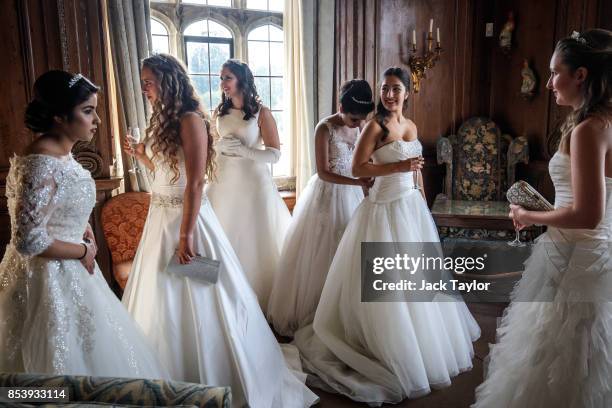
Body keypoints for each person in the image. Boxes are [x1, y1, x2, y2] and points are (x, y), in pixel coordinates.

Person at [121, 54, 318, 408]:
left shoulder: (191, 119)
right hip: (160, 218)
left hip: (188, 219)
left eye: (149, 80)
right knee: (160, 296)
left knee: (203, 289)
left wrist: (186, 234)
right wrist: (141, 155)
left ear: (168, 80)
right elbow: (167, 171)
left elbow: (195, 181)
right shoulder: (167, 118)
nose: (144, 87)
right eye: (143, 82)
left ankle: (217, 368)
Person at [294, 67, 480, 405]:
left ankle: (422, 344)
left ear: (408, 92)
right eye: (385, 89)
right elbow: (358, 168)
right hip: (381, 212)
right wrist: (397, 168)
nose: (390, 95)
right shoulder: (375, 127)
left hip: (410, 208)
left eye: (396, 89)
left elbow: (418, 171)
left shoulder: (411, 126)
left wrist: (424, 206)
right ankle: (386, 345)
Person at [473, 29, 612, 408]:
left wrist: (528, 213)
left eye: (555, 73)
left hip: (574, 258)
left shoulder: (589, 131)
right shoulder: (604, 124)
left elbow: (587, 214)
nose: (549, 83)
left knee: (556, 357)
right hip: (597, 255)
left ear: (581, 75)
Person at [0, 70, 166, 379]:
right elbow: (28, 240)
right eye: (88, 111)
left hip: (74, 267)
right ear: (61, 116)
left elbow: (63, 206)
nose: (97, 120)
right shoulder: (41, 162)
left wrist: (85, 231)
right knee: (52, 367)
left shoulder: (62, 154)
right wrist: (82, 251)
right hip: (48, 278)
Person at [267, 79, 374, 336]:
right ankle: (315, 314)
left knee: (351, 252)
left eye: (361, 120)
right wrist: (355, 180)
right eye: (352, 119)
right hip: (328, 195)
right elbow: (324, 172)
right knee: (322, 253)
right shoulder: (324, 128)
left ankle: (346, 313)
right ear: (341, 107)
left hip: (355, 196)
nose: (357, 124)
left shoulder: (362, 128)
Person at [206, 59, 291, 309]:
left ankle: (257, 303)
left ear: (242, 80)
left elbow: (275, 154)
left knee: (253, 244)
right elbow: (210, 145)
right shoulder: (219, 112)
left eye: (227, 78)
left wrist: (246, 152)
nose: (222, 83)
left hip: (253, 186)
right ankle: (222, 302)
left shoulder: (261, 113)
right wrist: (217, 147)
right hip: (222, 184)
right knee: (220, 238)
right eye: (221, 78)